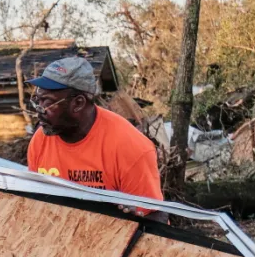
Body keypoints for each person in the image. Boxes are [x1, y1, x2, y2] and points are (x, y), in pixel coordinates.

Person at [26, 56, 163, 201]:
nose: (39, 110)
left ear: (78, 103)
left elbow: (153, 216)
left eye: (47, 102)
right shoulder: (40, 141)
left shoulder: (129, 147)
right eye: (37, 101)